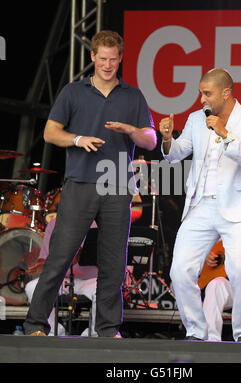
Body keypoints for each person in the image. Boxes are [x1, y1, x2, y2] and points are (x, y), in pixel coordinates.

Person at [23, 30, 156, 337]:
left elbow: (149, 140)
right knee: (59, 257)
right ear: (92, 56)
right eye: (102, 59)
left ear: (120, 58)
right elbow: (50, 133)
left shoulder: (132, 95)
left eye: (113, 59)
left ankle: (108, 330)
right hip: (80, 184)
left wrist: (130, 130)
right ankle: (34, 326)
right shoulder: (73, 92)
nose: (108, 65)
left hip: (116, 187)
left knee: (113, 262)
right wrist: (78, 139)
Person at [160, 68, 241, 342]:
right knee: (180, 270)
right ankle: (196, 331)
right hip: (200, 205)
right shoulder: (197, 119)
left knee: (240, 272)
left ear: (226, 92)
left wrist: (225, 133)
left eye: (207, 93)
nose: (201, 99)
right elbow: (175, 155)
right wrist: (168, 138)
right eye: (200, 92)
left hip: (237, 206)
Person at [25, 217, 98, 336]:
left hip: (92, 279)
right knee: (32, 287)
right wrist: (40, 266)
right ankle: (53, 331)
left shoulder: (99, 223)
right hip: (62, 279)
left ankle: (95, 333)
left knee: (105, 290)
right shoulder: (54, 224)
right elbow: (45, 258)